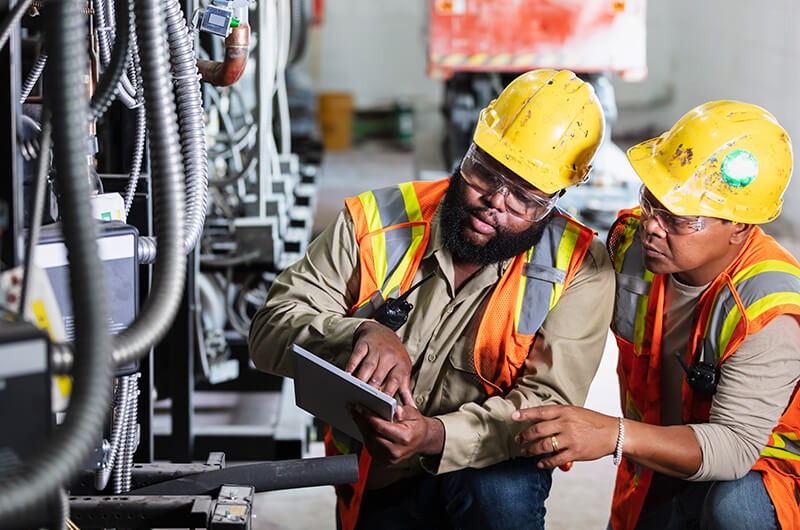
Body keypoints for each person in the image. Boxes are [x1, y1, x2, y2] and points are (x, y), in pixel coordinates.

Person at [248, 69, 615, 530]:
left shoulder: (580, 267)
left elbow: (546, 405)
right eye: (485, 171)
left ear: (555, 200)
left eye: (524, 197)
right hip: (376, 465)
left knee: (498, 496)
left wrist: (435, 436)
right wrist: (360, 332)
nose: (494, 202)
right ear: (469, 149)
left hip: (489, 462)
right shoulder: (376, 222)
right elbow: (268, 332)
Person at [512, 100, 800, 530]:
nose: (652, 225)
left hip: (758, 471)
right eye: (651, 202)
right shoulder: (630, 249)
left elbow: (735, 446)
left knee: (734, 511)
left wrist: (613, 433)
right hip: (663, 451)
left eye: (677, 218)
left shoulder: (767, 309)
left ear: (740, 227)